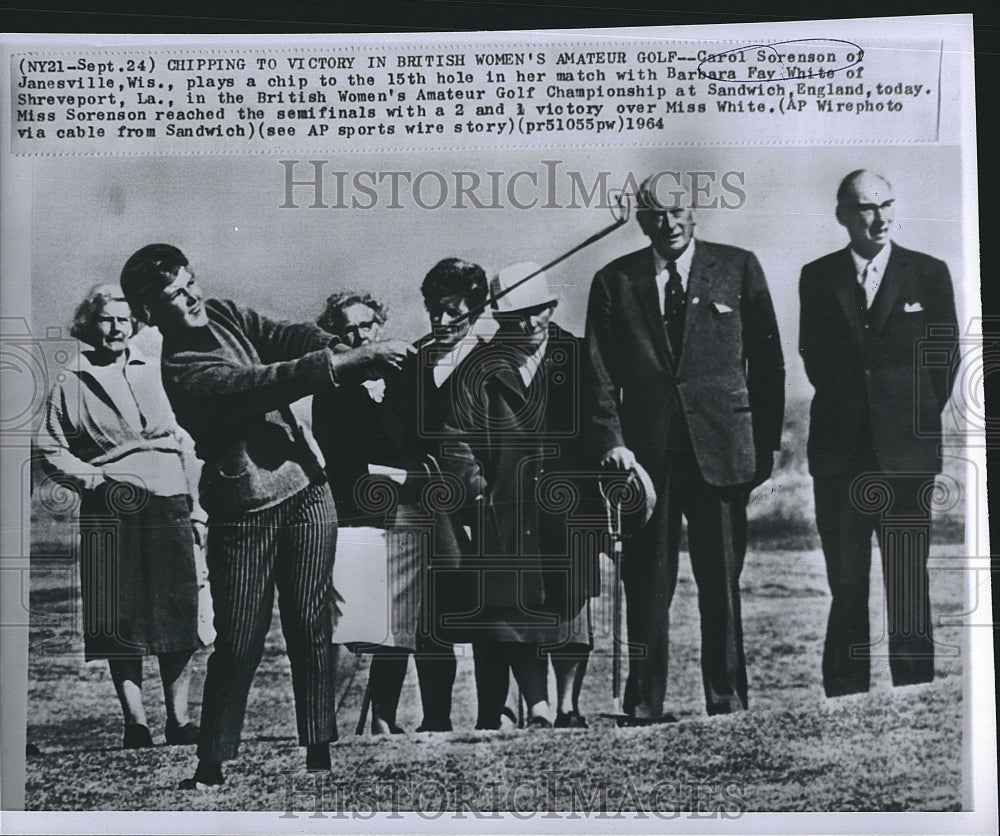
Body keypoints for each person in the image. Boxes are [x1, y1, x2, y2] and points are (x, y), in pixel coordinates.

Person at [119, 244, 413, 788]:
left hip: (307, 492)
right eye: (175, 296)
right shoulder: (183, 367)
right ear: (147, 314)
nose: (192, 297)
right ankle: (213, 761)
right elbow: (264, 383)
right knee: (241, 639)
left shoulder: (227, 312)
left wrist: (338, 344)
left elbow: (288, 336)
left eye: (191, 282)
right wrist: (343, 362)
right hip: (245, 510)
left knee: (311, 626)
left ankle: (320, 751)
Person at [584, 174, 785, 722]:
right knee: (647, 585)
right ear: (641, 220)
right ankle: (645, 702)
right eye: (654, 215)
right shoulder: (614, 281)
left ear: (694, 210)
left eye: (676, 212)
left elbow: (767, 362)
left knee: (721, 582)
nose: (667, 225)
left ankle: (726, 700)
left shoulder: (737, 266)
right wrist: (612, 443)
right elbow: (597, 374)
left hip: (722, 452)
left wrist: (762, 447)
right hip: (648, 462)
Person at [799, 170, 959, 697]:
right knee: (846, 583)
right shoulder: (817, 277)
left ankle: (914, 687)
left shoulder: (929, 274)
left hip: (906, 458)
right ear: (843, 214)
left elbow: (944, 363)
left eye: (887, 204)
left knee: (909, 579)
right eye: (866, 208)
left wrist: (902, 422)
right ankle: (846, 693)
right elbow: (815, 359)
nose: (880, 217)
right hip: (840, 458)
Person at [35, 283, 202, 749]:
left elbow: (189, 438)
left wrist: (198, 504)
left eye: (125, 320)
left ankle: (180, 720)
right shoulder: (73, 380)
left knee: (178, 611)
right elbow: (49, 446)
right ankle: (136, 724)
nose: (116, 328)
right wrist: (93, 480)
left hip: (170, 496)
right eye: (107, 319)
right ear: (90, 324)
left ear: (137, 325)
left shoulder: (160, 369)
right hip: (110, 506)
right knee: (118, 617)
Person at [440, 263, 595, 729]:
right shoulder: (478, 368)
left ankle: (568, 706)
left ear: (552, 307)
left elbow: (606, 416)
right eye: (516, 315)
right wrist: (476, 491)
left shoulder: (582, 356)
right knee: (516, 609)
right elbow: (452, 436)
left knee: (572, 605)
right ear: (500, 318)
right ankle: (538, 705)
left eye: (537, 312)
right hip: (505, 507)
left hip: (572, 504)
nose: (528, 324)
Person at [312, 290, 420, 735]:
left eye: (367, 325)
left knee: (399, 625)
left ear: (380, 325)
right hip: (357, 511)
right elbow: (339, 455)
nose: (360, 334)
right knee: (354, 622)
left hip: (408, 510)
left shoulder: (406, 376)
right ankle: (322, 721)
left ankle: (382, 719)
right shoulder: (332, 386)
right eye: (348, 329)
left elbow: (420, 440)